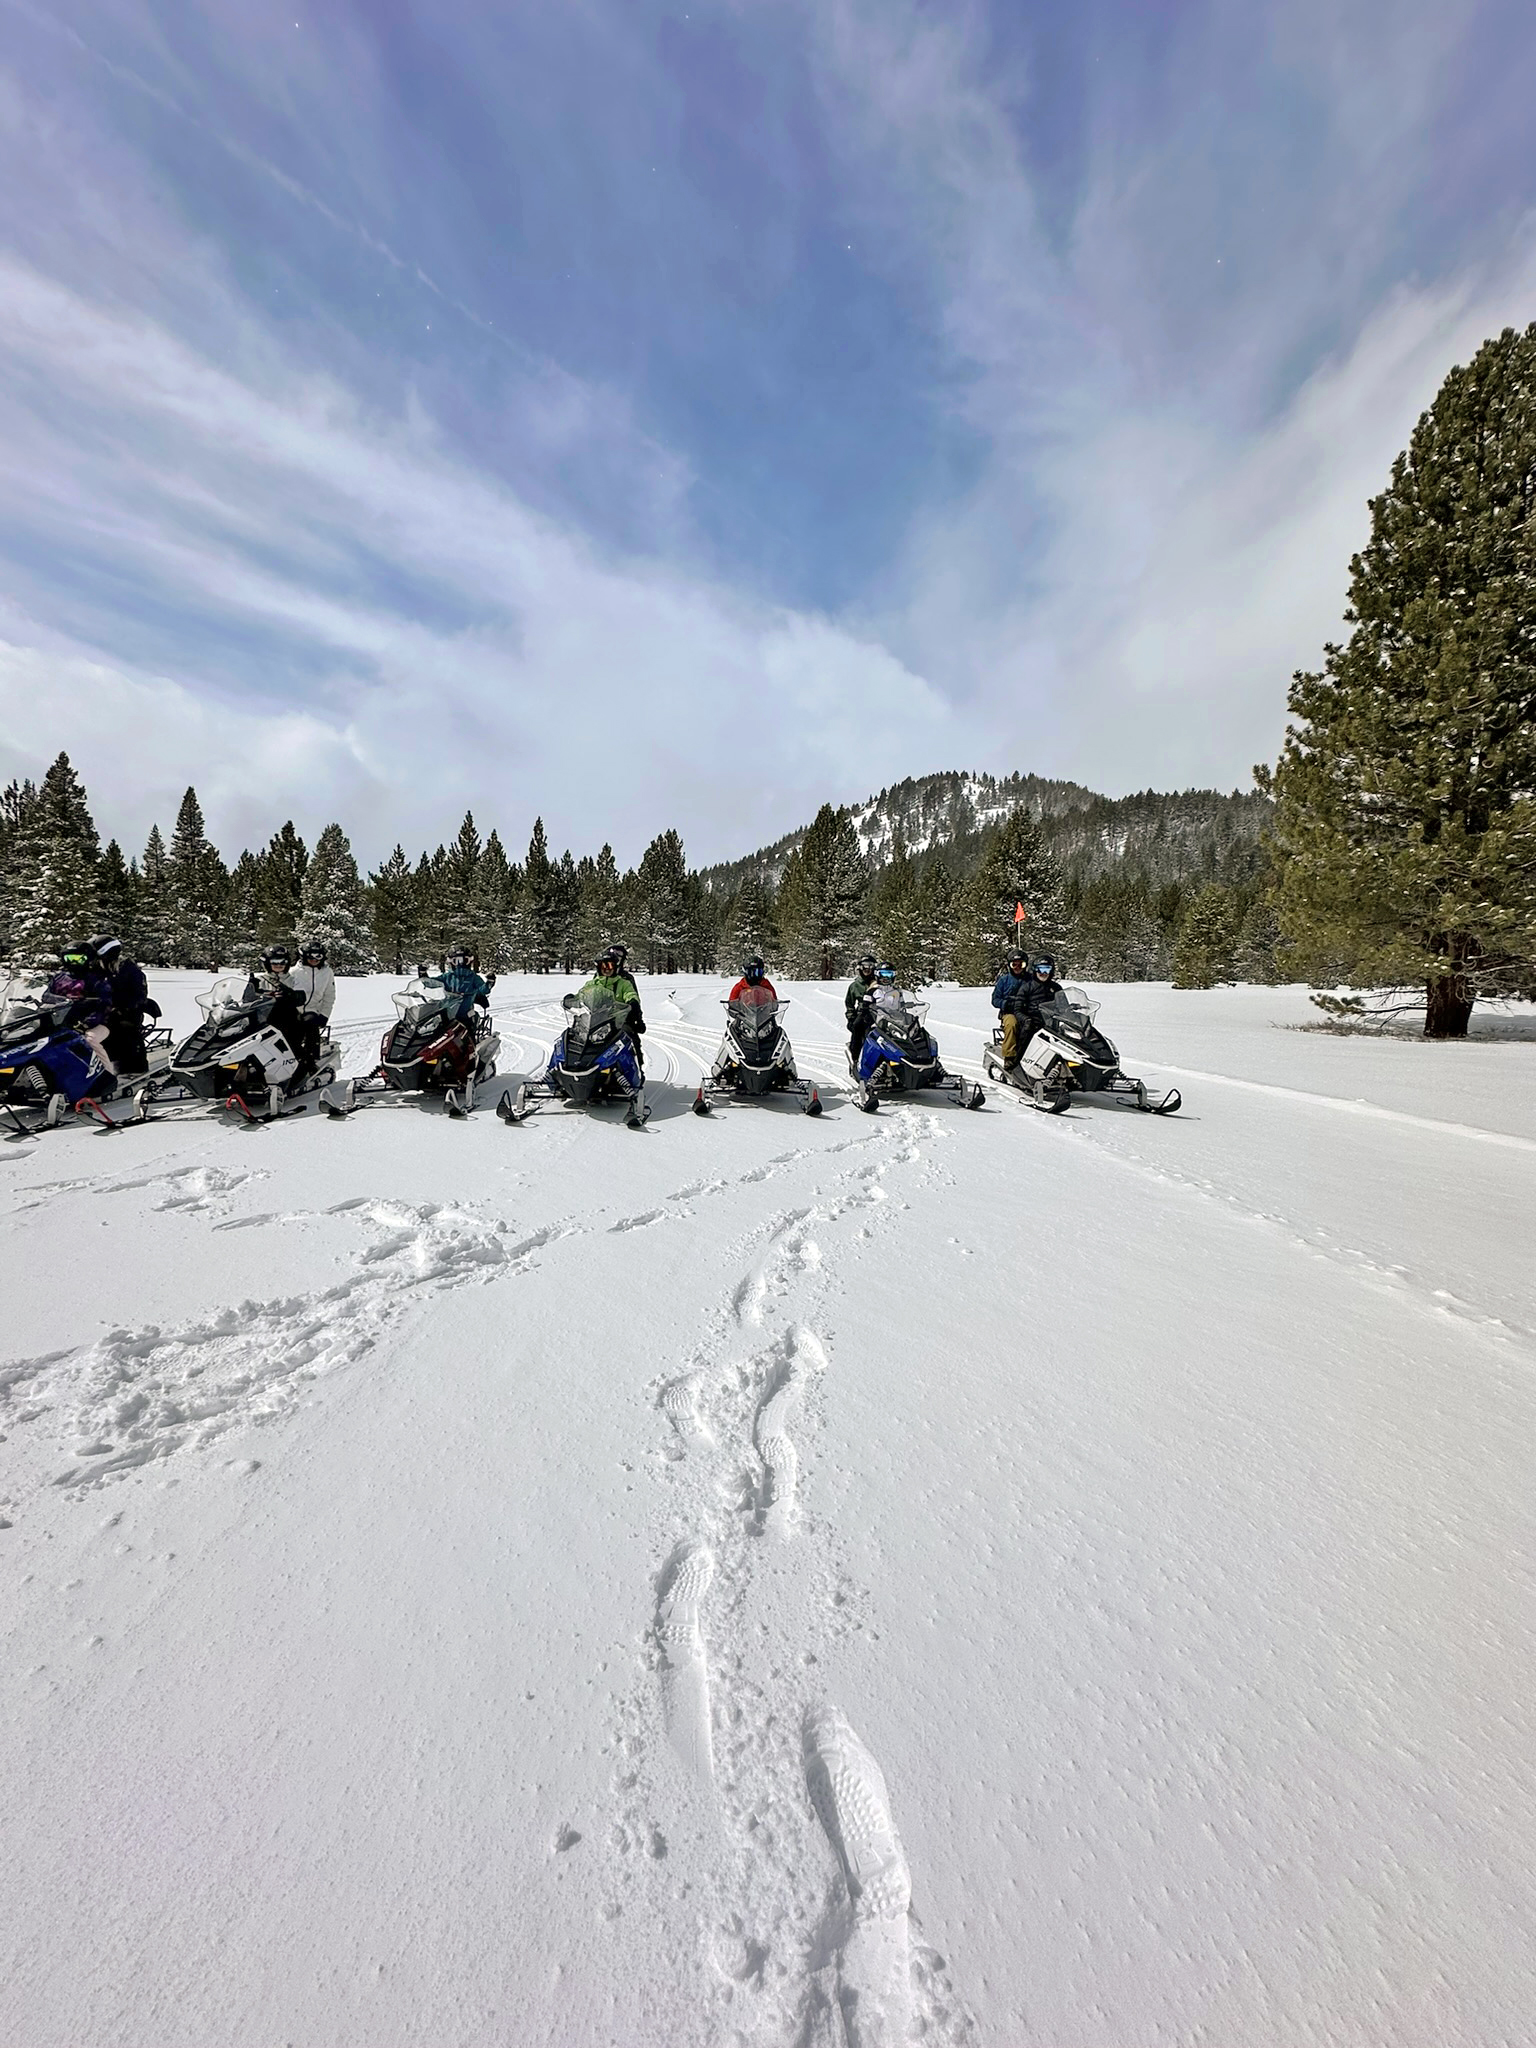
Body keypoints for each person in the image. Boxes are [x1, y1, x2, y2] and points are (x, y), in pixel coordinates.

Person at [89, 935, 160, 1075]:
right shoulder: (96, 969)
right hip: (97, 1011)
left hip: (125, 1012)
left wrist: (121, 1007)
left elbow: (139, 995)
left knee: (123, 1029)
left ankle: (135, 1067)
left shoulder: (128, 970)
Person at [579, 944, 645, 1073]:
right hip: (597, 1019)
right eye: (604, 966)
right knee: (575, 1036)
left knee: (630, 1037)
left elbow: (633, 996)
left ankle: (636, 1069)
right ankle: (572, 1067)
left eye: (619, 956)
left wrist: (637, 1016)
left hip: (620, 1020)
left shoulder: (625, 980)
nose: (607, 969)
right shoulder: (596, 980)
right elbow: (586, 993)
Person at [425, 946, 490, 1022]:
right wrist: (423, 976)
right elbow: (432, 983)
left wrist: (489, 983)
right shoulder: (447, 977)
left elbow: (483, 989)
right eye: (456, 960)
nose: (460, 963)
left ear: (469, 961)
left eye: (464, 960)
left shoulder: (473, 977)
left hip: (465, 1013)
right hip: (447, 1012)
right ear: (451, 962)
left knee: (468, 1026)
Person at [844, 953, 879, 1062]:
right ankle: (856, 1057)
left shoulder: (879, 982)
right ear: (860, 967)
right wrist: (851, 1017)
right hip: (863, 1014)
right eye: (864, 966)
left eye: (870, 966)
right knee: (857, 1027)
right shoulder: (855, 985)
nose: (867, 969)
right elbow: (849, 1002)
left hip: (880, 1012)